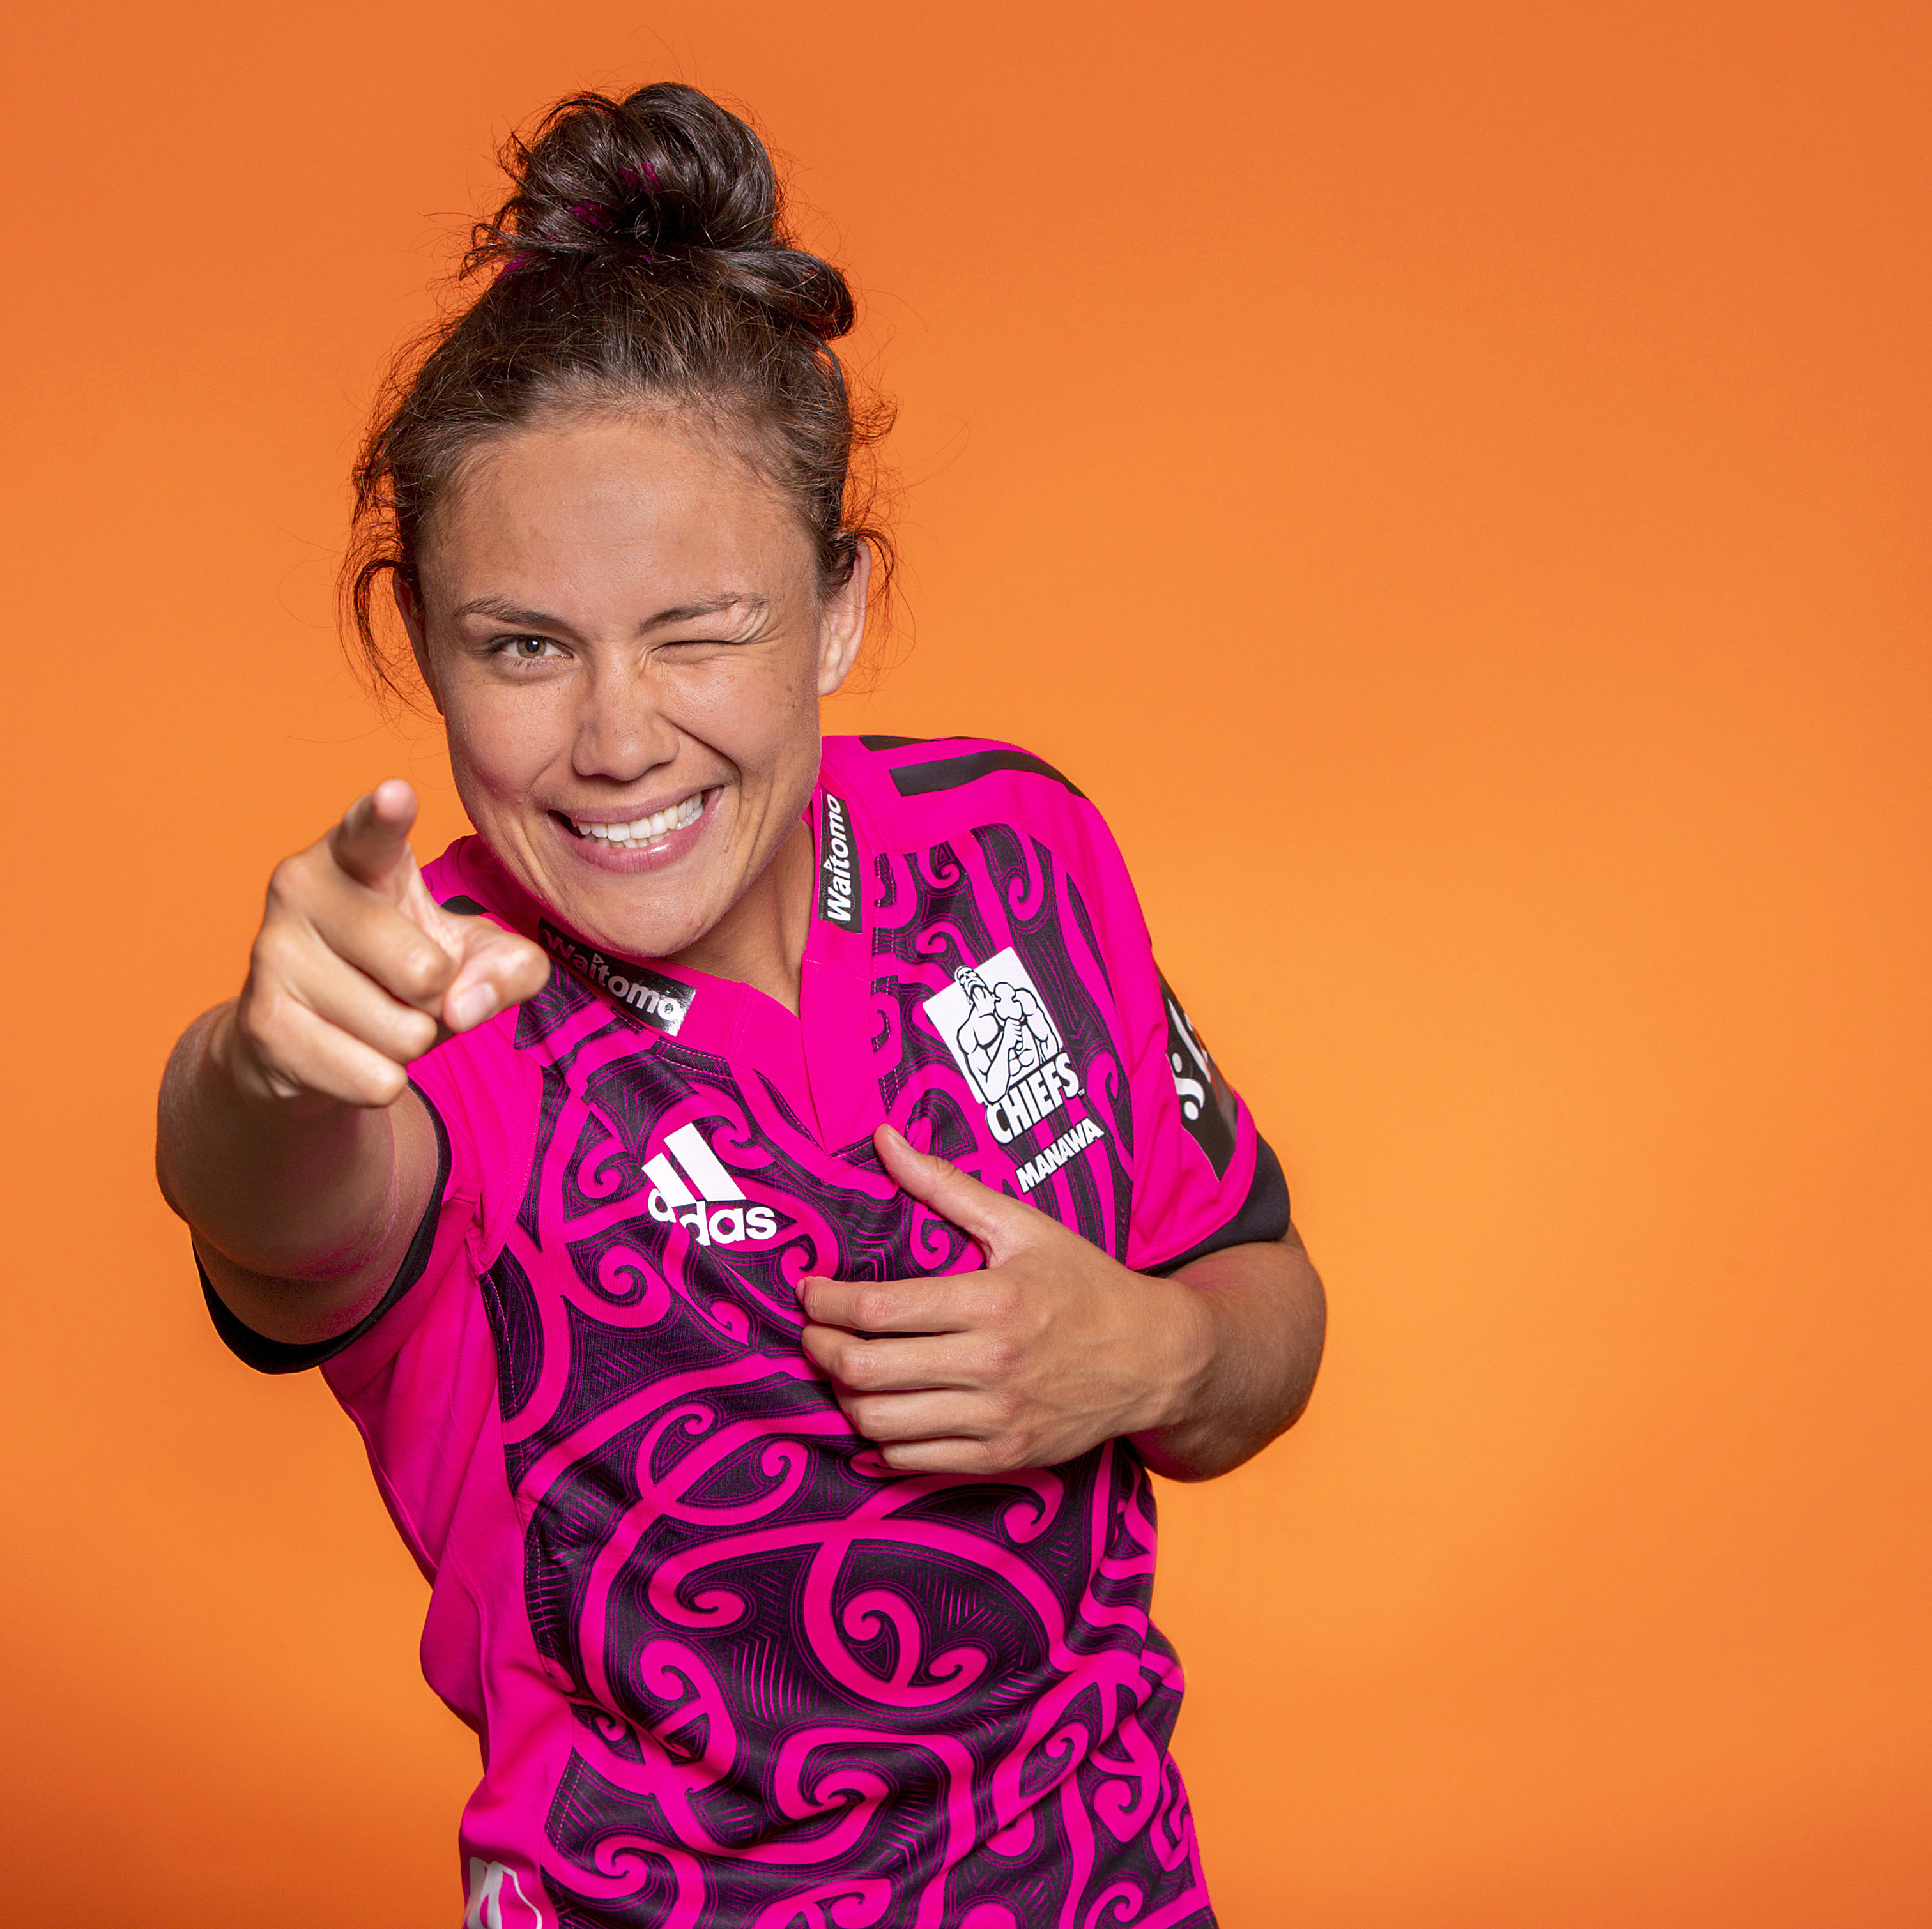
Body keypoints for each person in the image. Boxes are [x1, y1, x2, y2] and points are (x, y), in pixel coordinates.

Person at [155, 82, 1326, 1929]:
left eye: (698, 630)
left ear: (837, 611)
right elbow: (273, 1206)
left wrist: (1158, 1355)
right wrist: (259, 1059)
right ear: (423, 639)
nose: (618, 740)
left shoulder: (1014, 851)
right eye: (523, 645)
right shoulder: (445, 1006)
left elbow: (1261, 1286)